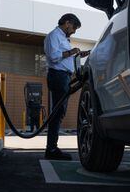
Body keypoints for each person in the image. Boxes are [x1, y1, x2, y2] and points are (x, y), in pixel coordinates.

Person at [44, 13, 90, 160]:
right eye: (74, 27)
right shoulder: (54, 36)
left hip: (63, 76)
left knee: (59, 112)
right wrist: (71, 51)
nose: (74, 30)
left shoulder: (62, 38)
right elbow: (53, 56)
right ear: (67, 23)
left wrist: (81, 54)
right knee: (57, 113)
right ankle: (51, 149)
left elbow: (66, 57)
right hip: (57, 75)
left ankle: (52, 148)